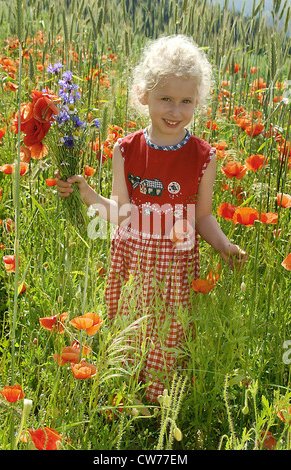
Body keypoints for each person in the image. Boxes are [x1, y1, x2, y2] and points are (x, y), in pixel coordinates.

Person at [56, 35, 247, 403]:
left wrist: (224, 246)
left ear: (198, 102)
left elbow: (202, 216)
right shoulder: (125, 150)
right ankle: (125, 397)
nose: (175, 110)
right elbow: (123, 213)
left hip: (175, 268)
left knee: (167, 337)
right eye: (166, 99)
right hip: (133, 266)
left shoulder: (203, 156)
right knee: (130, 330)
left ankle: (158, 406)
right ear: (143, 95)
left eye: (186, 101)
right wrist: (88, 196)